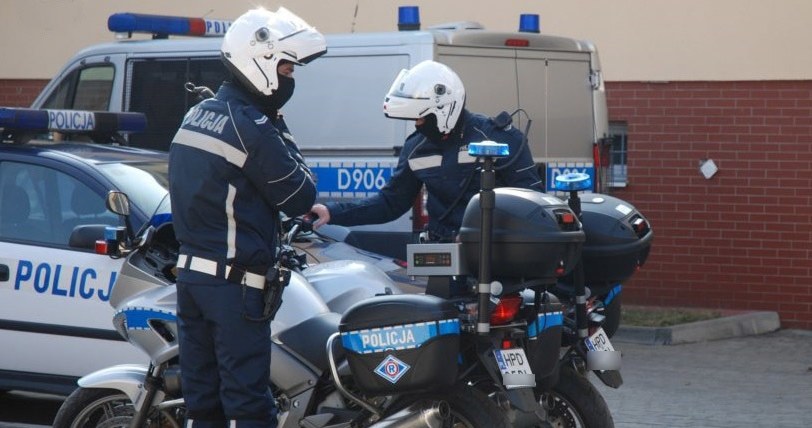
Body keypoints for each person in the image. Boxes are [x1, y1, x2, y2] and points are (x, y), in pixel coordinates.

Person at [168, 7, 326, 428]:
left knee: (204, 406)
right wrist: (278, 123)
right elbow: (300, 194)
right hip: (234, 288)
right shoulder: (251, 125)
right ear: (262, 63)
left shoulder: (196, 114)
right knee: (248, 407)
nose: (290, 78)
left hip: (192, 281)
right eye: (287, 66)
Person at [310, 60, 543, 243]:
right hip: (443, 254)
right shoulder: (416, 148)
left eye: (421, 116)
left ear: (443, 109)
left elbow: (532, 204)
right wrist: (331, 212)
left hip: (498, 258)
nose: (417, 124)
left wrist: (484, 236)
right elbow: (390, 203)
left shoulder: (499, 137)